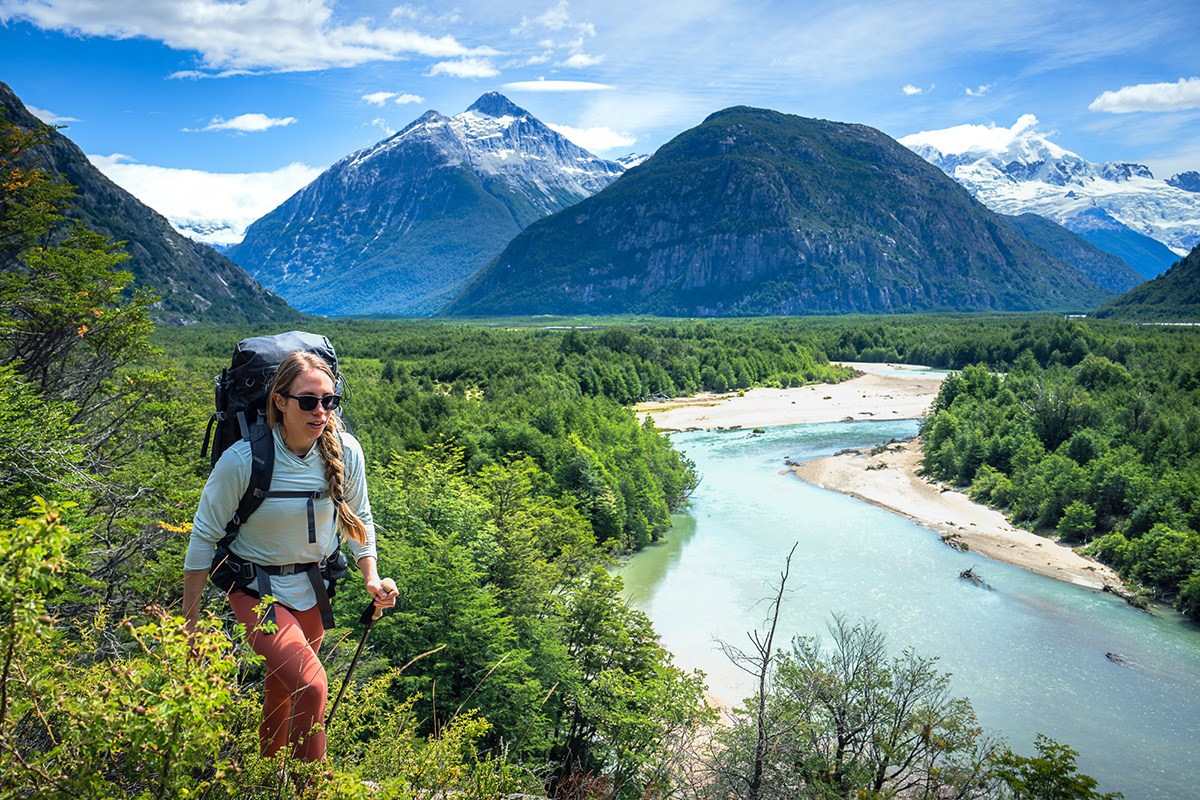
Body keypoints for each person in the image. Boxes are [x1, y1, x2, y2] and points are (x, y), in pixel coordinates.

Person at [182, 350, 397, 761]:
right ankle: (307, 787)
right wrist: (188, 625)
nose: (321, 411)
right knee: (312, 685)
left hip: (313, 588)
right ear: (279, 401)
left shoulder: (346, 452)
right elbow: (202, 541)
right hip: (257, 591)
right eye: (308, 401)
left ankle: (267, 777)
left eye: (328, 401)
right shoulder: (243, 460)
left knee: (283, 690)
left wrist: (371, 575)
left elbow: (359, 517)